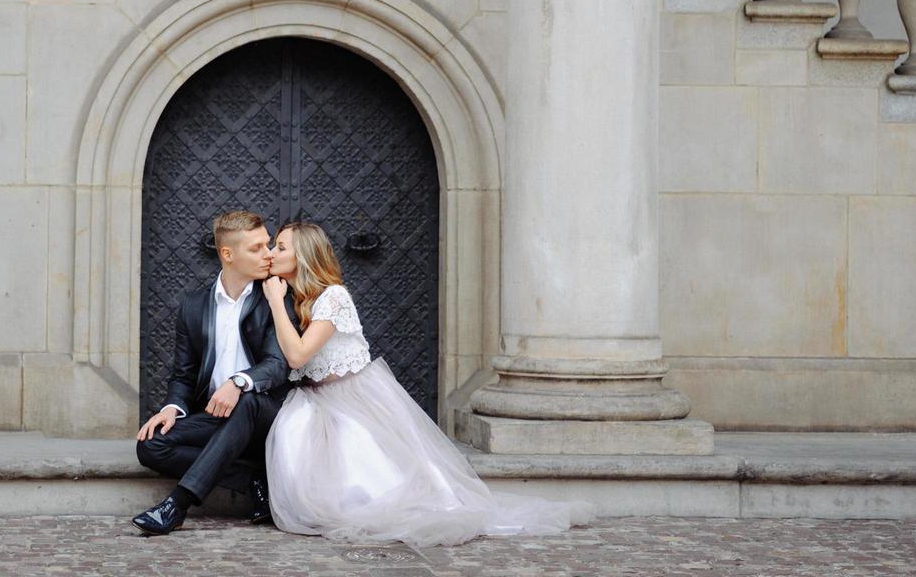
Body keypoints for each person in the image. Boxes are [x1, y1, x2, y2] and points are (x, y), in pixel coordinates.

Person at [261, 222, 594, 547]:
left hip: (354, 397)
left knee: (374, 477)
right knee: (296, 433)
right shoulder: (298, 298)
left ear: (305, 255)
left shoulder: (333, 297)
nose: (272, 253)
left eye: (281, 247)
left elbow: (297, 355)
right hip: (316, 398)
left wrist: (275, 302)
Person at [131, 209, 294, 535]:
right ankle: (253, 479)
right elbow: (183, 374)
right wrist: (171, 409)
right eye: (256, 248)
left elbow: (277, 365)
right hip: (217, 417)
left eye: (268, 244)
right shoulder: (194, 305)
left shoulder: (274, 297)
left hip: (265, 416)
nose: (268, 254)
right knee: (150, 444)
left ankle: (176, 505)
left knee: (247, 401)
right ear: (227, 254)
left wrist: (239, 382)